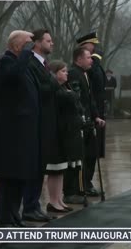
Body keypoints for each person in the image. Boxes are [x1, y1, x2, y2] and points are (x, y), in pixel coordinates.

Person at [0, 30, 36, 227]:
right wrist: (26, 55)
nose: (31, 48)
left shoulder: (22, 64)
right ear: (17, 45)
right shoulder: (6, 62)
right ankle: (4, 218)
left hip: (22, 129)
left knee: (19, 176)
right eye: (28, 44)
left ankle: (14, 215)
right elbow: (13, 77)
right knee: (10, 177)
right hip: (11, 130)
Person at [21, 29, 58, 223]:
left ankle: (33, 205)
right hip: (36, 122)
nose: (52, 43)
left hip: (45, 121)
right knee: (34, 168)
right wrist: (54, 83)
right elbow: (38, 88)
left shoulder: (43, 64)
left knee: (40, 166)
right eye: (48, 40)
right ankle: (29, 206)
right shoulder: (31, 63)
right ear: (37, 43)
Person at [64, 47, 105, 204]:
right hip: (80, 122)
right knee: (79, 157)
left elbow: (90, 99)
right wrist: (84, 117)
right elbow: (77, 99)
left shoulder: (84, 73)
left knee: (90, 155)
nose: (91, 60)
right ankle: (77, 189)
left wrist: (95, 116)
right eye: (88, 57)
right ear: (78, 59)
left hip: (88, 120)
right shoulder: (74, 73)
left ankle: (85, 185)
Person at [47, 60, 83, 212]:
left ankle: (58, 199)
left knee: (61, 170)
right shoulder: (54, 89)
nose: (66, 73)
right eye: (63, 71)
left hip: (67, 132)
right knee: (55, 170)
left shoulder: (64, 87)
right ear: (55, 73)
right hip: (57, 132)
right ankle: (53, 201)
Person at [76, 32, 108, 176]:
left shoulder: (95, 63)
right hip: (90, 111)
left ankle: (89, 179)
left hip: (97, 110)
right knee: (89, 149)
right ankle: (86, 181)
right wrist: (95, 59)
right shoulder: (89, 65)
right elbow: (94, 80)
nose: (94, 46)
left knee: (95, 149)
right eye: (91, 44)